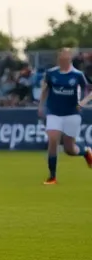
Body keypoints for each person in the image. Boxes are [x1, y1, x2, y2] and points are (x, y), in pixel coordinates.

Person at [38, 47, 92, 184]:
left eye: (66, 56)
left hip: (72, 114)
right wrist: (41, 105)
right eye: (61, 56)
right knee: (53, 140)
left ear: (70, 59)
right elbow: (45, 89)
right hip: (54, 113)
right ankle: (52, 176)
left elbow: (89, 91)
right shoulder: (51, 73)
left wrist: (83, 102)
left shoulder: (77, 75)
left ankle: (86, 152)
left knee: (70, 149)